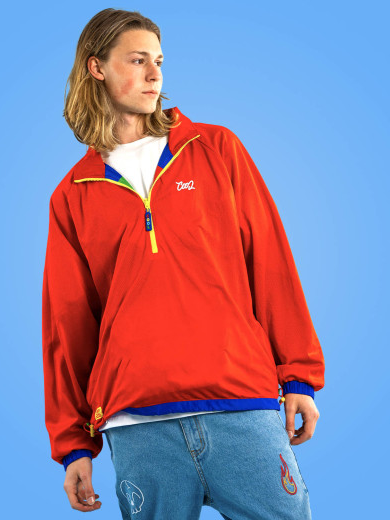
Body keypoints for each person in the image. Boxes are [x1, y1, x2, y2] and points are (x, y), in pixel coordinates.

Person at [41, 8, 325, 519]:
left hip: (241, 402)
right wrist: (74, 444)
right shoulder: (72, 195)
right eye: (137, 60)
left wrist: (298, 375)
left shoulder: (215, 148)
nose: (154, 74)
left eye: (159, 61)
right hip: (138, 426)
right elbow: (67, 325)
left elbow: (271, 263)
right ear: (96, 67)